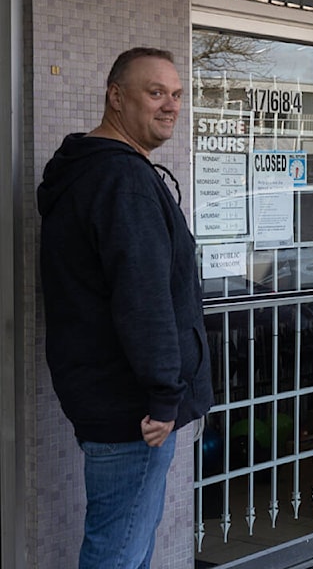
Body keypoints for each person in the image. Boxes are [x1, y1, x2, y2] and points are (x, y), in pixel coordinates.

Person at [37, 47, 213, 568]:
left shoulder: (92, 172)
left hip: (107, 397)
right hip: (134, 409)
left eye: (177, 94)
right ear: (116, 97)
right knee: (118, 550)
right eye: (155, 92)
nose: (171, 105)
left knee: (124, 541)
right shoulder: (123, 181)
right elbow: (145, 300)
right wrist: (164, 396)